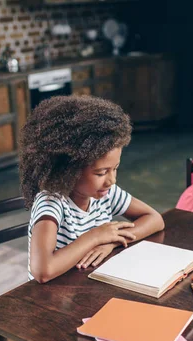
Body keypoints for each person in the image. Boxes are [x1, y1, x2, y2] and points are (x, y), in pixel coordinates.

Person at [19, 95, 165, 284]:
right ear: (69, 170)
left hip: (85, 289)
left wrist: (112, 242)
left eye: (115, 168)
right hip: (49, 303)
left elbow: (155, 220)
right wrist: (96, 236)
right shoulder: (51, 203)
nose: (111, 180)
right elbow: (42, 270)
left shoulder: (106, 194)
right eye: (101, 172)